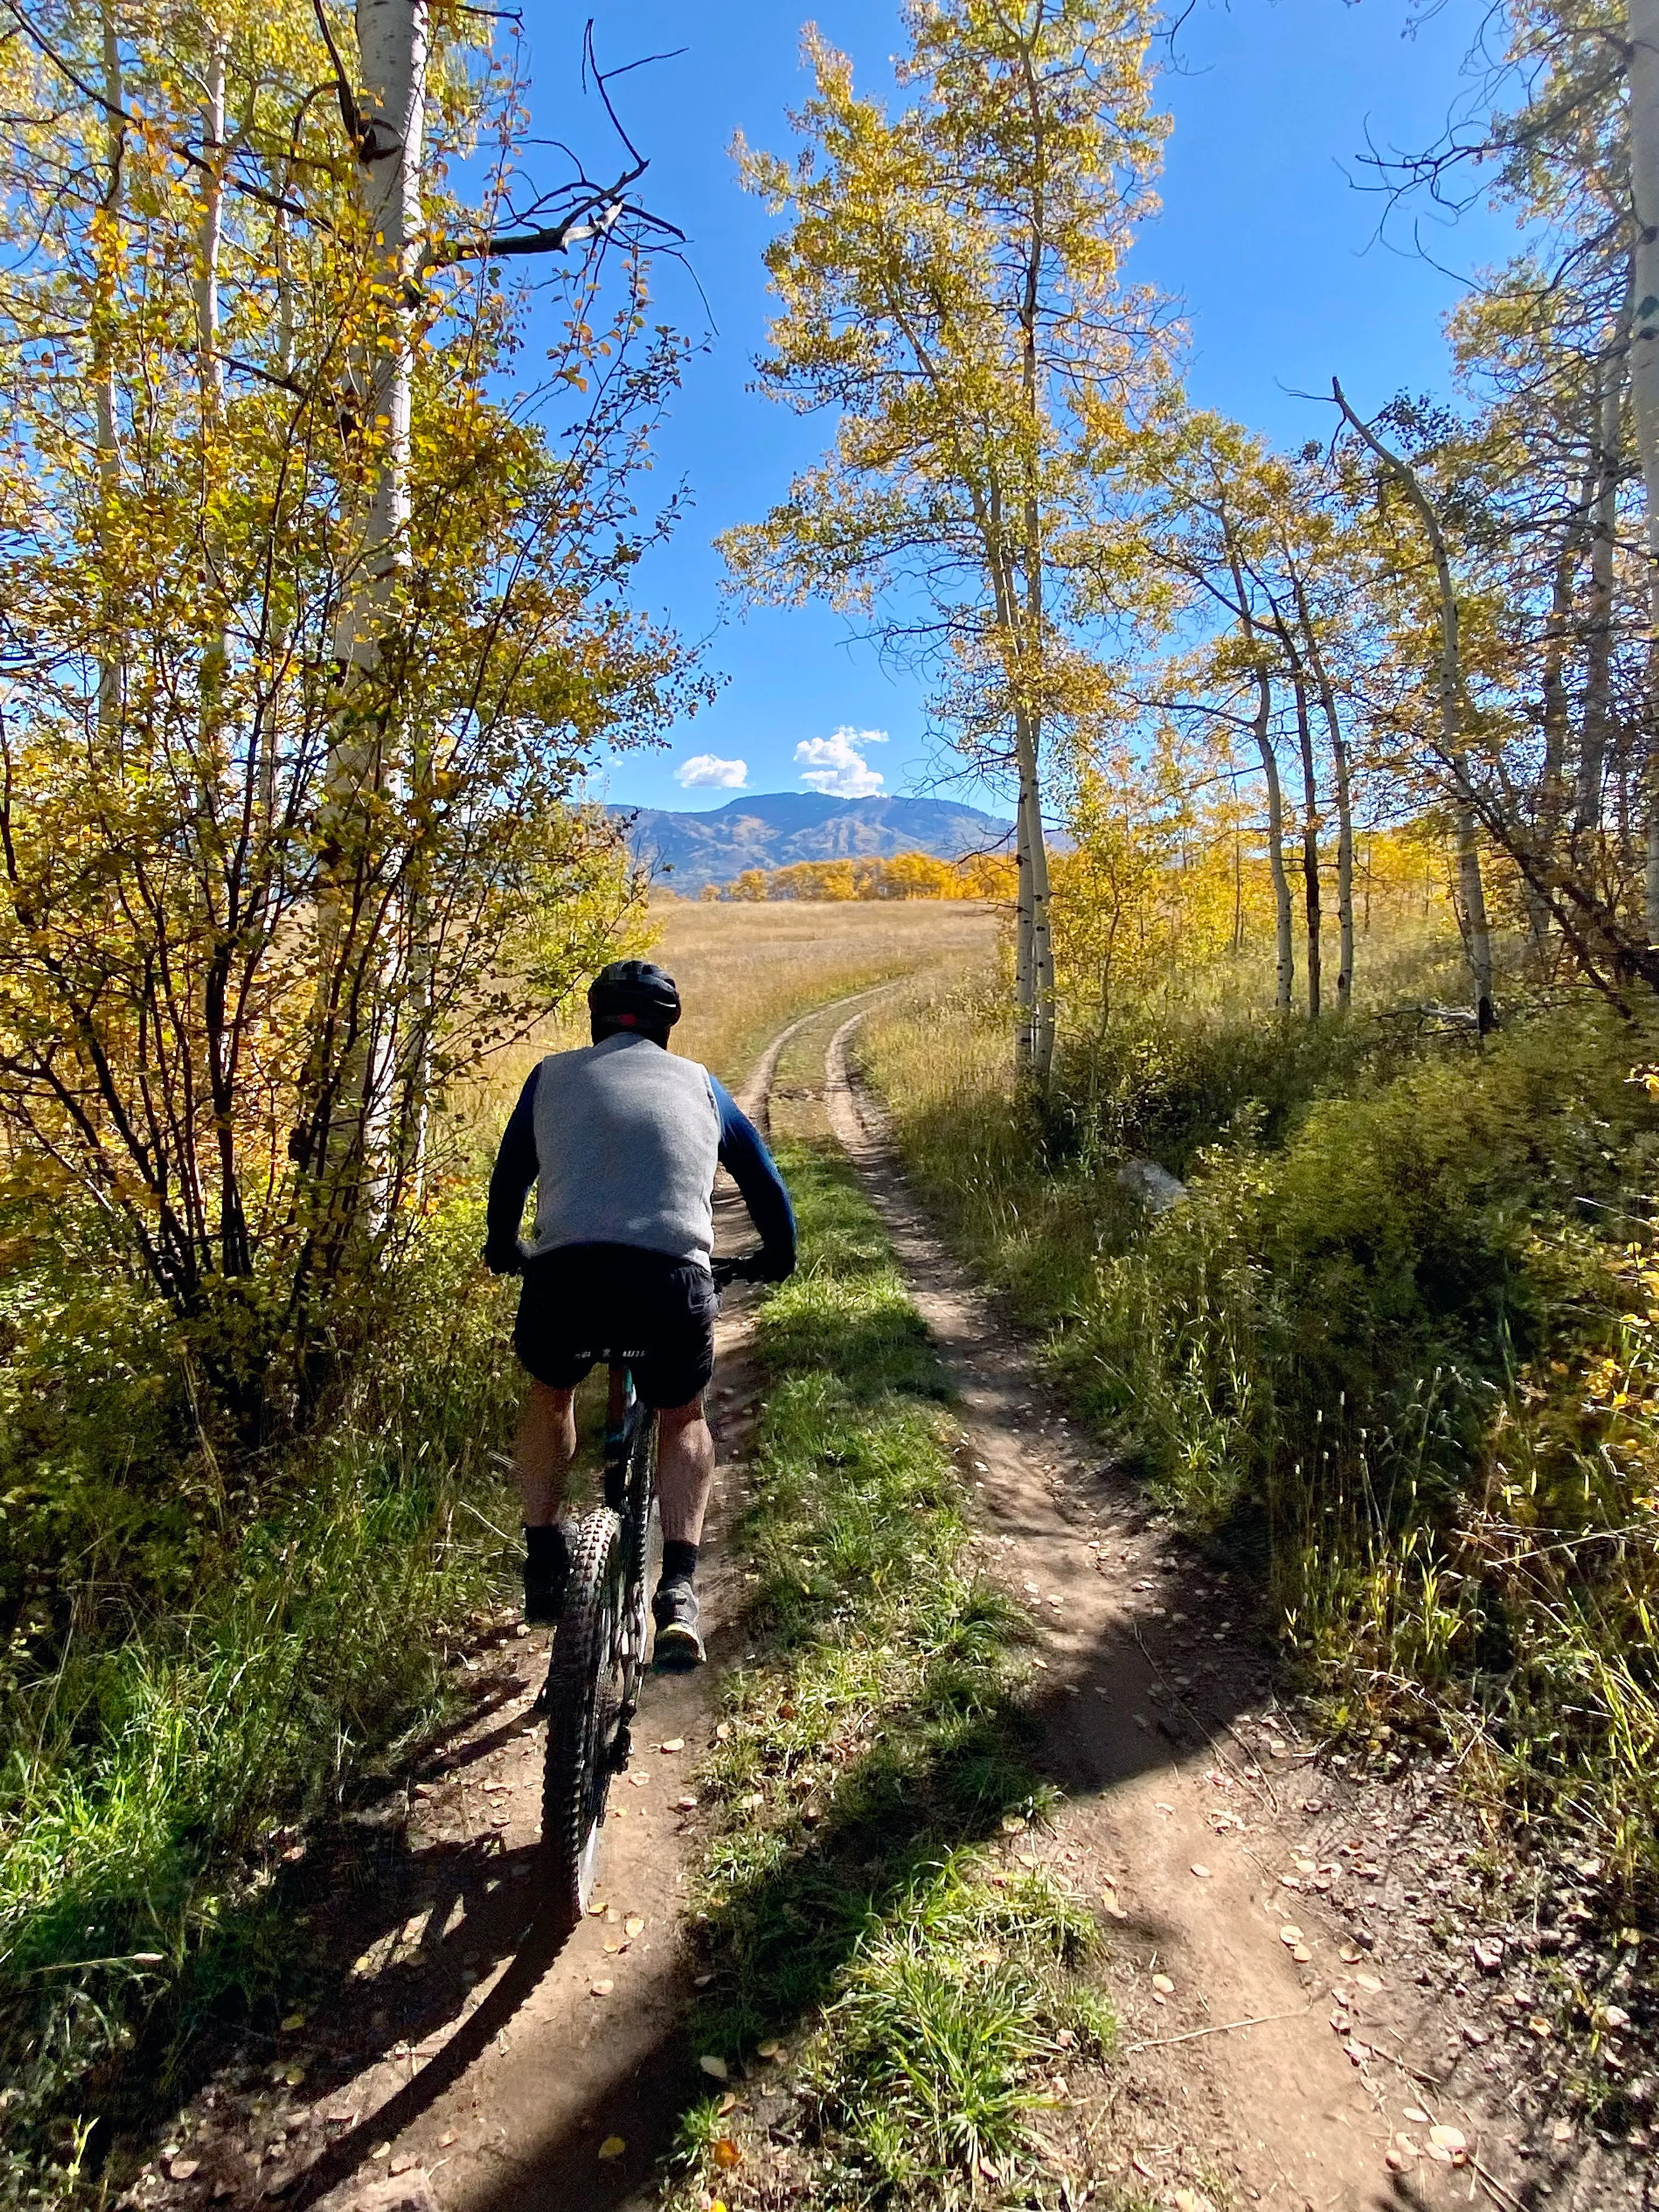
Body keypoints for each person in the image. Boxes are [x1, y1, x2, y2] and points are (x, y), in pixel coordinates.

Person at [483, 958, 795, 1667]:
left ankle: (542, 1556)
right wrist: (777, 1255)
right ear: (668, 1025)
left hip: (566, 1278)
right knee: (682, 1413)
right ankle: (679, 1591)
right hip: (668, 1283)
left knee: (551, 1391)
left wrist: (506, 1247)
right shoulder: (702, 1086)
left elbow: (510, 1180)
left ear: (596, 1019)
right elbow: (766, 1188)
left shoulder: (550, 1077)